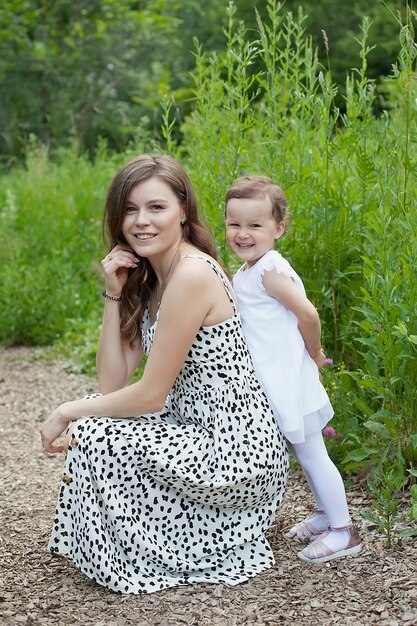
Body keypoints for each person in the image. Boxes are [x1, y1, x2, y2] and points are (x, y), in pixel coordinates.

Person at [40, 155, 288, 594]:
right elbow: (113, 384)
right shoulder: (154, 276)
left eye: (156, 208)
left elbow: (150, 395)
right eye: (130, 210)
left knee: (93, 433)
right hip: (191, 429)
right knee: (94, 431)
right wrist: (113, 294)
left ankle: (169, 547)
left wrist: (66, 409)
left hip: (233, 448)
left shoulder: (192, 274)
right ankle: (147, 543)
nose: (141, 221)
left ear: (183, 211)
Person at [225, 175, 362, 564]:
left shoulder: (270, 271)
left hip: (290, 379)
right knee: (304, 454)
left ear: (279, 228)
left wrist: (315, 354)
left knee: (314, 453)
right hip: (275, 380)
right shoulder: (249, 270)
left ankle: (343, 531)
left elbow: (307, 312)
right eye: (234, 224)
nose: (243, 233)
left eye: (255, 225)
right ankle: (323, 515)